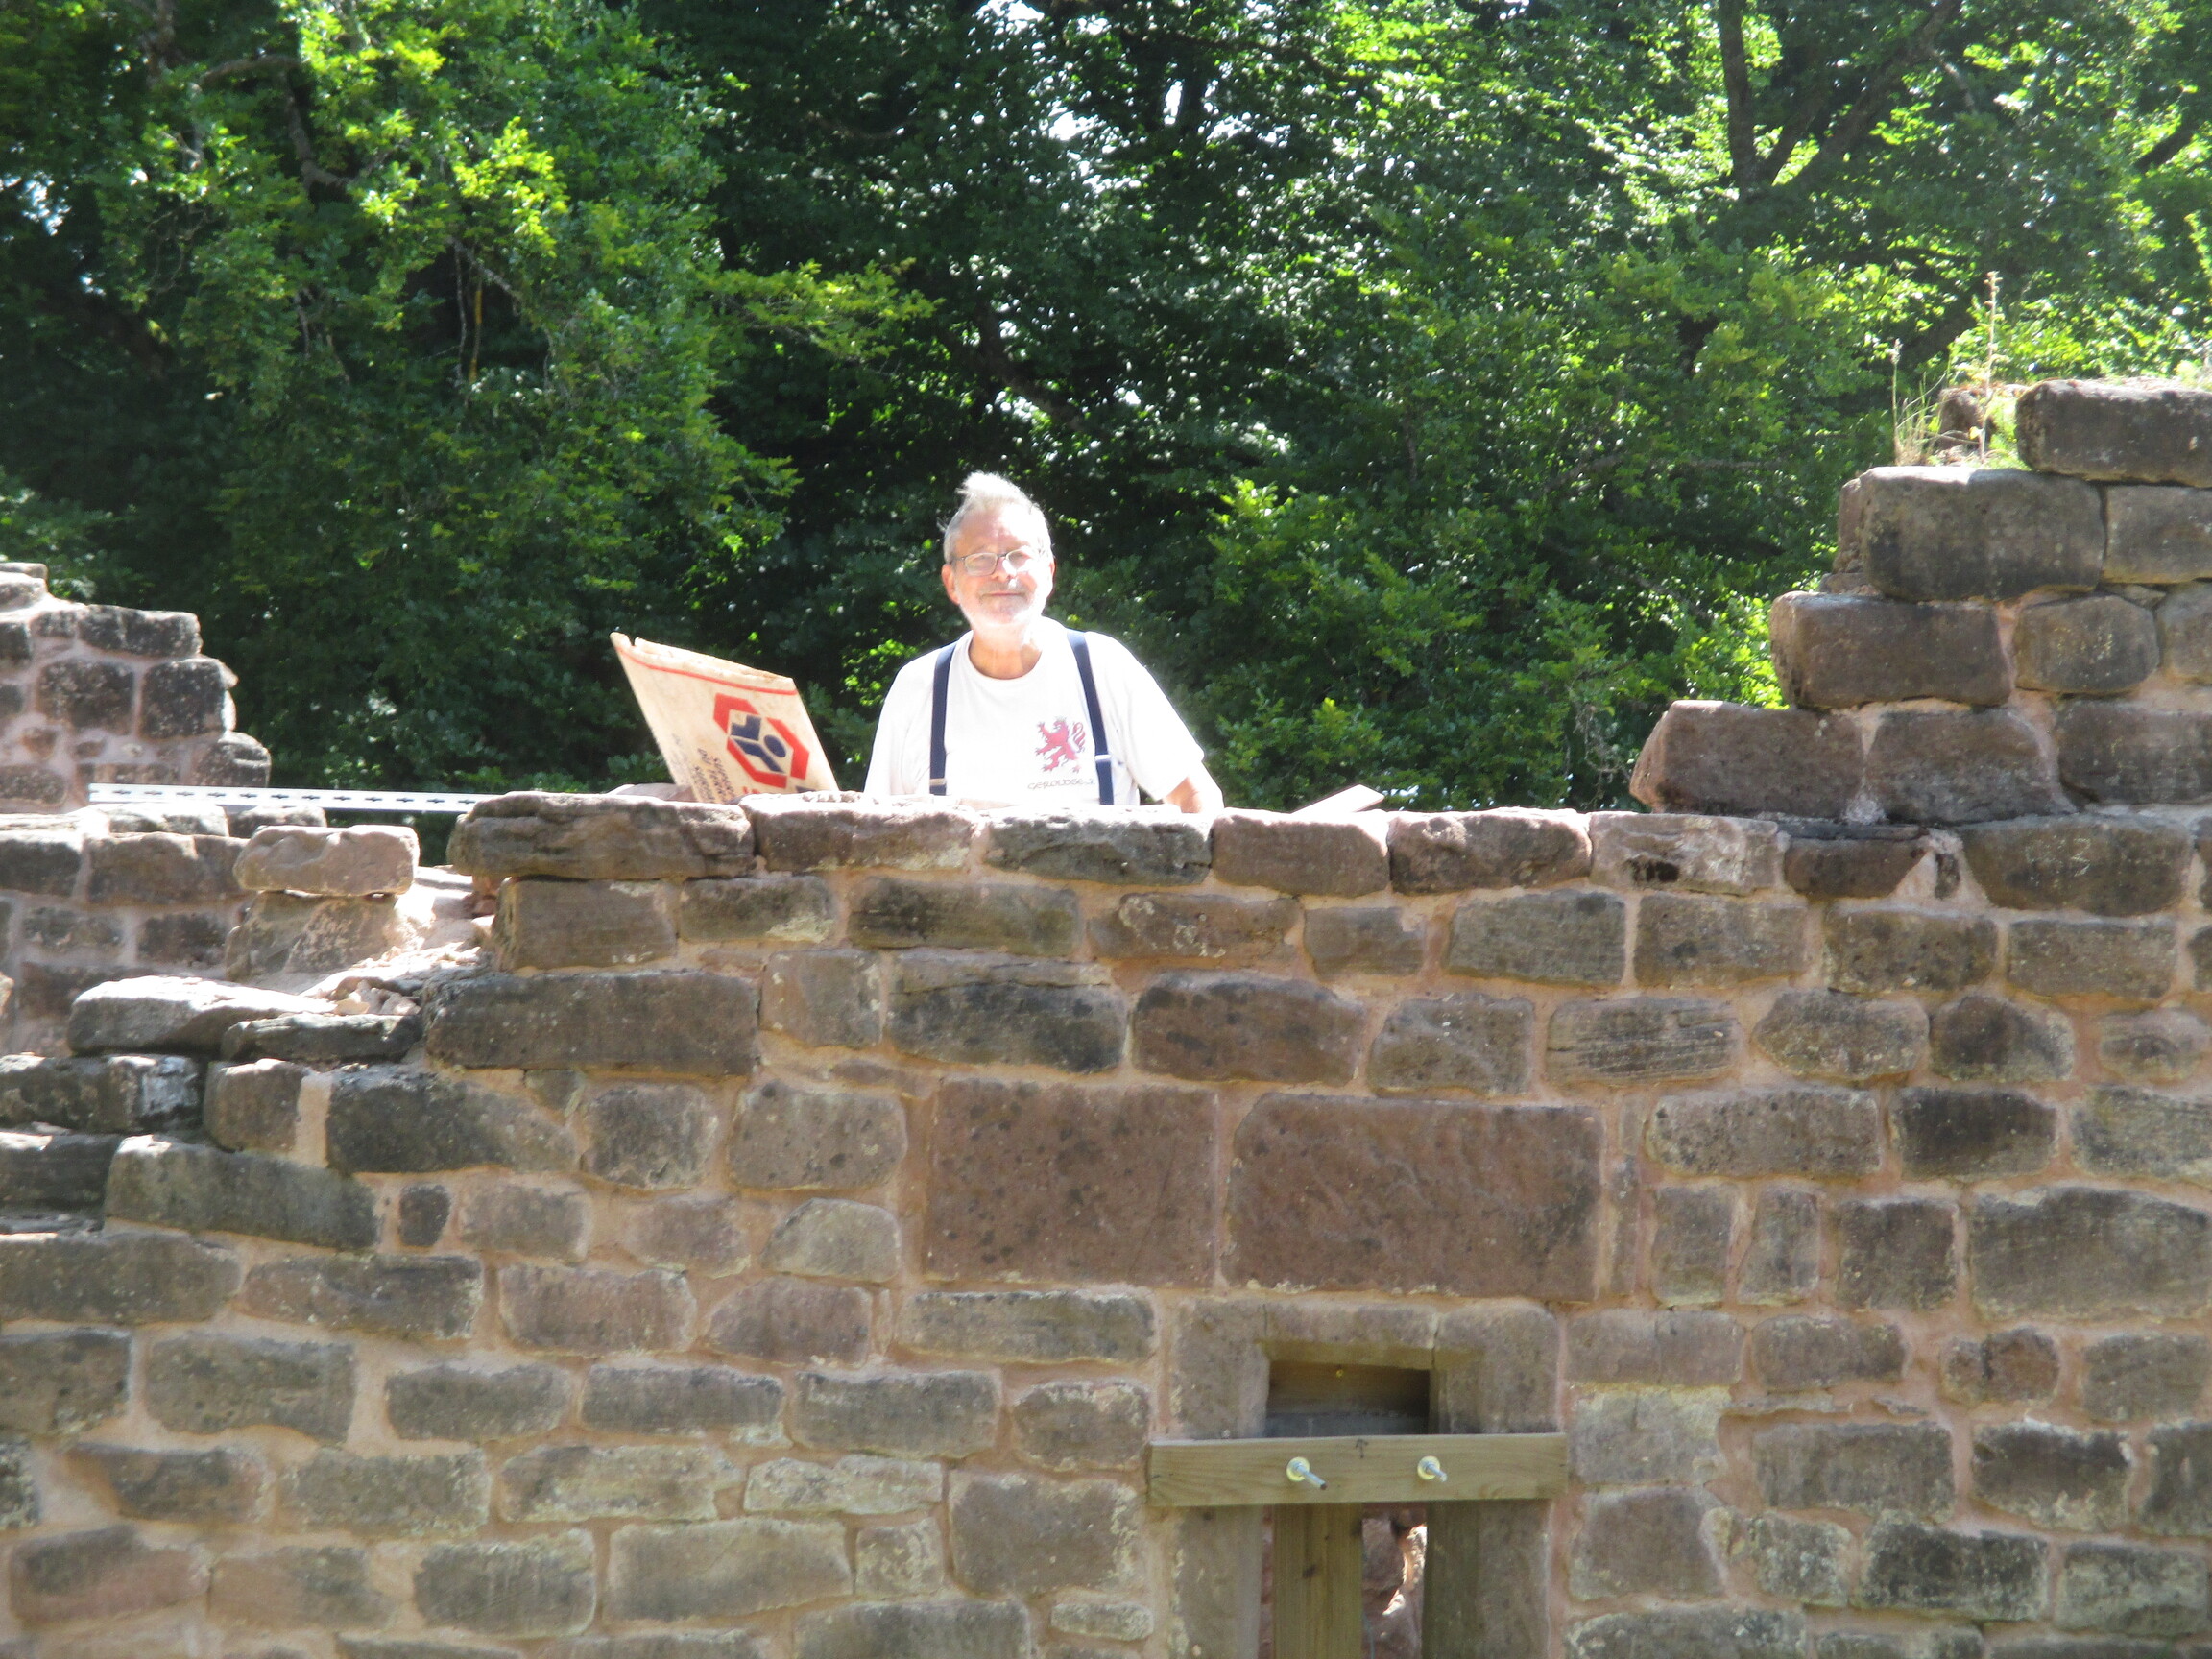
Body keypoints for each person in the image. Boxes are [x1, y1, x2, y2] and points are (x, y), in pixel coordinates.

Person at [864, 473, 1225, 811]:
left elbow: (1195, 795)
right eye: (980, 559)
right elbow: (875, 826)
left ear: (1049, 572)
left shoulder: (1101, 667)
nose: (1003, 572)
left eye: (1019, 555)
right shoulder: (919, 688)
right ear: (951, 583)